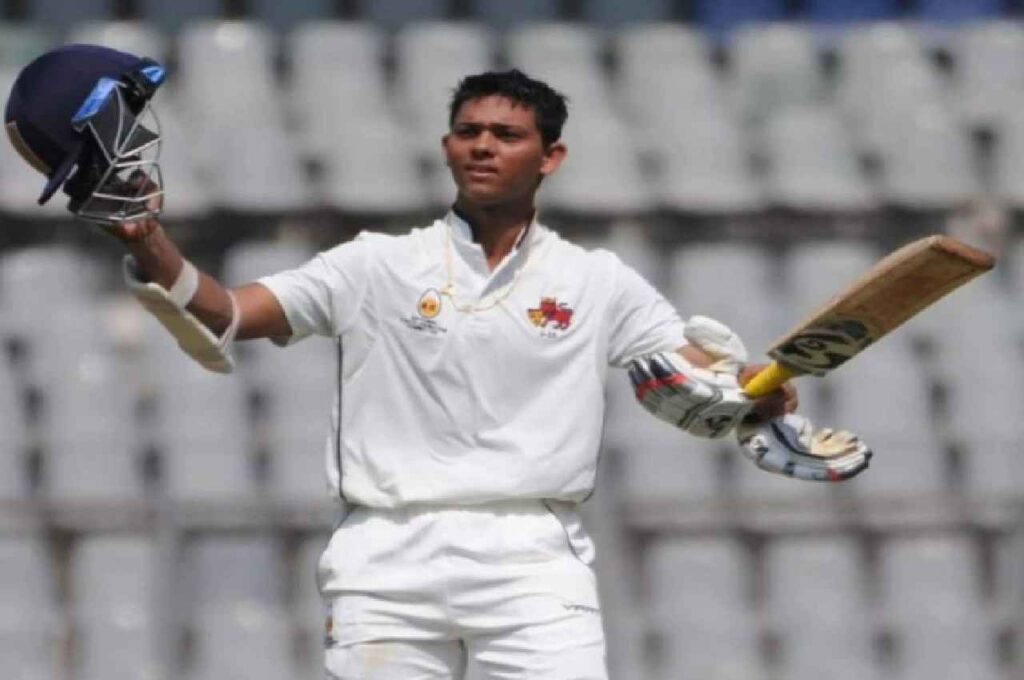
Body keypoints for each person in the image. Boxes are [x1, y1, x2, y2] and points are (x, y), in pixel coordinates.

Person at [6, 46, 871, 680]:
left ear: (551, 157)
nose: (482, 146)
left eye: (507, 134)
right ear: (447, 147)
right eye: (467, 132)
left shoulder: (600, 281)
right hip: (386, 556)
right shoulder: (375, 264)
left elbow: (687, 383)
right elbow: (229, 313)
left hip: (534, 557)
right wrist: (145, 238)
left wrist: (754, 402)